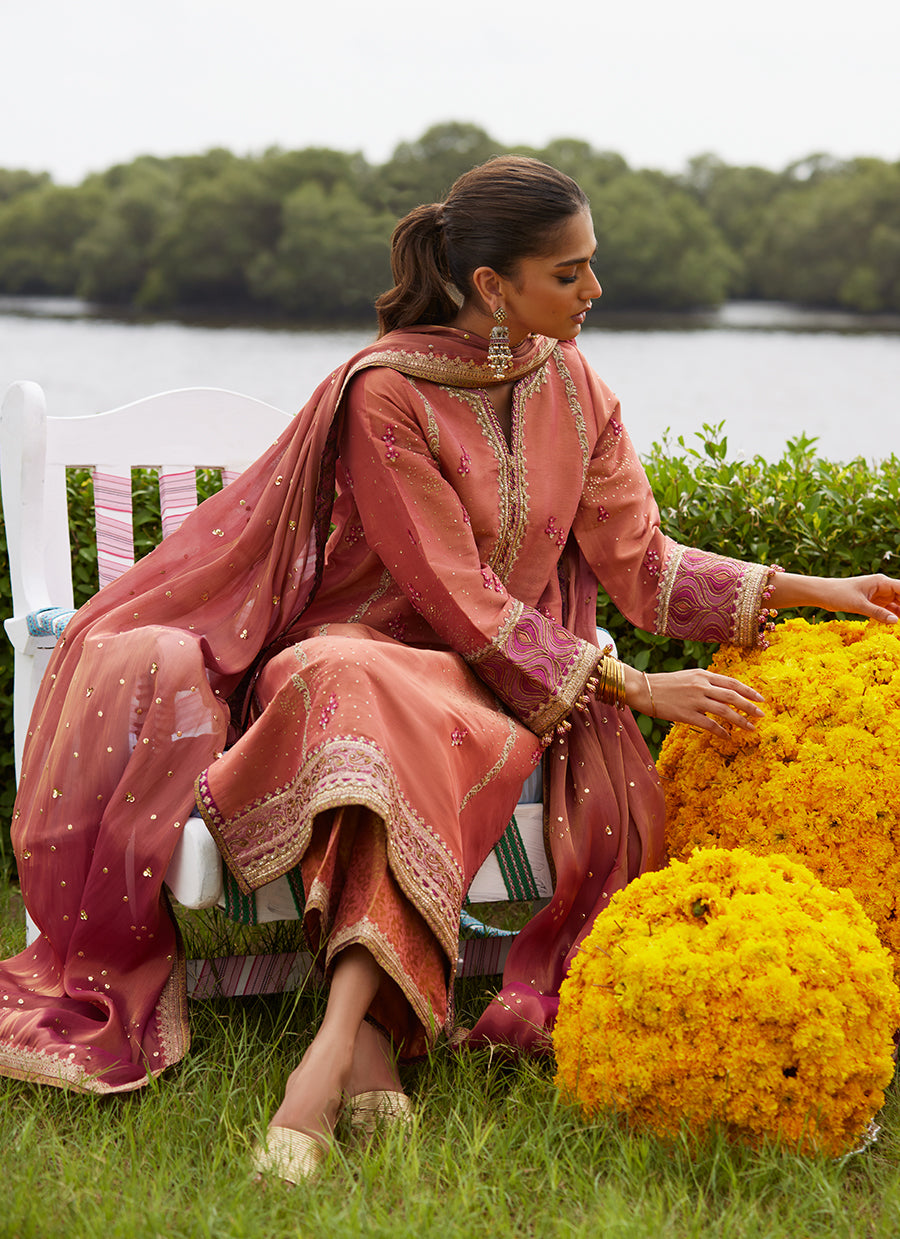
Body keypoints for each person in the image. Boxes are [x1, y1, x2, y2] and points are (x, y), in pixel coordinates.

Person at [1, 156, 898, 1183]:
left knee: (384, 716)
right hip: (361, 661)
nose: (594, 291)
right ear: (490, 287)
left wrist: (814, 588)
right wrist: (640, 688)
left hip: (495, 694)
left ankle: (338, 1051)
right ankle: (355, 1048)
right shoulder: (386, 396)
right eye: (570, 274)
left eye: (591, 267)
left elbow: (644, 570)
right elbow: (457, 597)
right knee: (357, 688)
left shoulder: (577, 388)